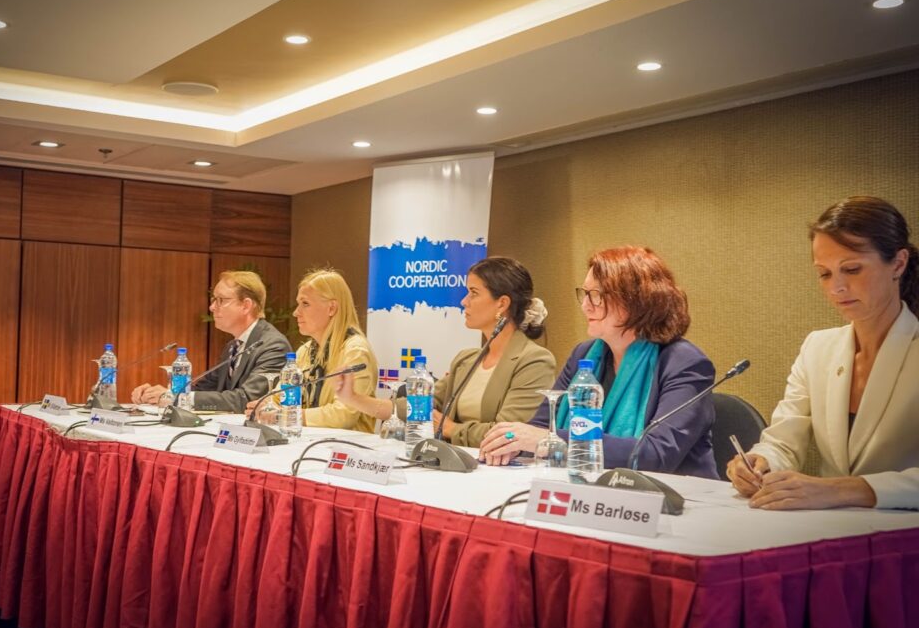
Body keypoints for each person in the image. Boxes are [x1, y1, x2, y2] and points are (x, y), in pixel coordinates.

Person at [729, 196, 919, 510]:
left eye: (852, 269)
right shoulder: (818, 348)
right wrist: (760, 462)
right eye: (825, 274)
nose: (836, 288)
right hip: (827, 531)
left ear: (898, 263)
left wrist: (843, 490)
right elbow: (783, 442)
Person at [480, 246, 719, 478]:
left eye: (596, 296)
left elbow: (655, 454)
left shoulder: (684, 363)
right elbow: (543, 425)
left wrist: (548, 441)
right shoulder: (584, 356)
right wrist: (512, 443)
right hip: (588, 490)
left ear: (638, 301)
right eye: (585, 294)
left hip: (676, 502)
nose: (585, 306)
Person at [332, 256, 556, 448]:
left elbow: (507, 434)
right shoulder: (465, 359)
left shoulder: (534, 361)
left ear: (502, 304)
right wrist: (354, 399)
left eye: (473, 293)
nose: (463, 301)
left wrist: (451, 429)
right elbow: (418, 407)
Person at [130, 270, 291, 411]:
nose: (212, 307)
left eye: (221, 300)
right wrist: (160, 394)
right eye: (214, 299)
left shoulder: (273, 346)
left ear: (246, 306)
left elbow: (246, 398)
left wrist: (174, 397)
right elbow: (203, 389)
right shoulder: (233, 346)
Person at [250, 268, 379, 432]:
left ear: (331, 308)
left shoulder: (355, 351)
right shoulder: (305, 351)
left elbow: (344, 415)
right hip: (309, 443)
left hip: (345, 451)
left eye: (305, 304)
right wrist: (264, 406)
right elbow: (279, 396)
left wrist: (287, 416)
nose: (296, 312)